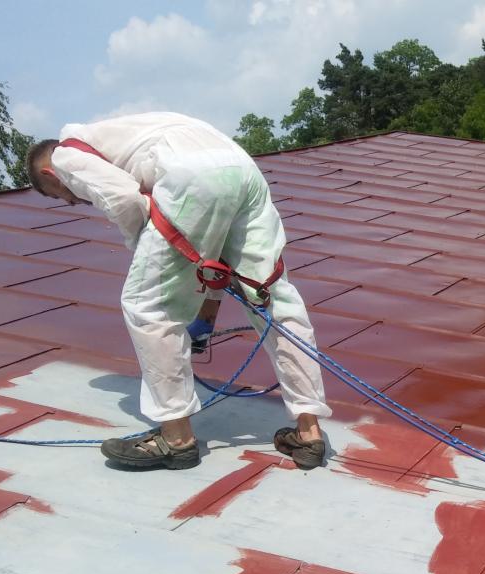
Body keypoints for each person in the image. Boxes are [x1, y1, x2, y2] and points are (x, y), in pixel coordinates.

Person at [25, 111, 331, 470]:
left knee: (147, 305)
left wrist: (145, 250)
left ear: (50, 176)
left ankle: (176, 440)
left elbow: (124, 200)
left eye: (64, 197)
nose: (75, 200)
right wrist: (206, 314)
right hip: (243, 172)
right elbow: (214, 254)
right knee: (272, 298)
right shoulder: (130, 133)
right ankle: (309, 432)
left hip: (192, 178)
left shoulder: (65, 156)